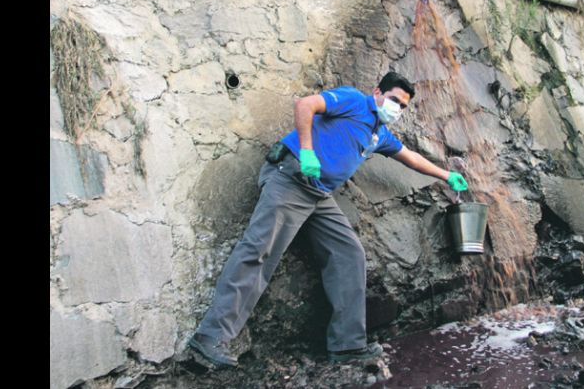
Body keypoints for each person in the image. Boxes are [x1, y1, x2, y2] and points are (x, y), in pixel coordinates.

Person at [189, 71, 468, 367]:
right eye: (394, 100)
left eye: (403, 106)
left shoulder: (379, 134)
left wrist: (446, 175)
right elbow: (305, 105)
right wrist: (307, 152)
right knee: (259, 251)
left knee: (349, 255)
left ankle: (347, 346)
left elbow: (410, 157)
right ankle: (209, 339)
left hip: (320, 195)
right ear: (377, 93)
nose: (397, 108)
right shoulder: (353, 100)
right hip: (293, 179)